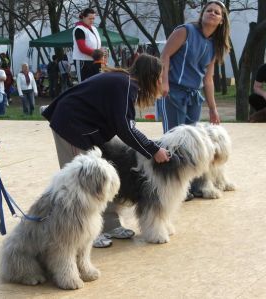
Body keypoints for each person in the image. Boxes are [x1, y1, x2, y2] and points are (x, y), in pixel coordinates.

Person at [42, 54, 170, 248]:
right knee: (82, 184)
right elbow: (126, 128)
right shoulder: (126, 85)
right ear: (150, 75)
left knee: (109, 171)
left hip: (88, 127)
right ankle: (84, 235)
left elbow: (122, 124)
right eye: (159, 77)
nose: (160, 82)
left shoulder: (125, 83)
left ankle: (109, 223)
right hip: (72, 126)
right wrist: (153, 150)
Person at [159, 0, 231, 132]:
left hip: (194, 95)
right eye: (209, 10)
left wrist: (212, 108)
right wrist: (164, 82)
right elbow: (165, 56)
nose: (212, 13)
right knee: (174, 137)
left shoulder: (215, 45)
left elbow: (208, 79)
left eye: (217, 12)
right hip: (174, 90)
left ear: (221, 20)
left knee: (191, 140)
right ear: (202, 14)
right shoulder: (185, 31)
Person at [72, 7, 102, 82]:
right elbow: (82, 47)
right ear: (83, 17)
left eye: (93, 18)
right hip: (83, 61)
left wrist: (101, 52)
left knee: (95, 84)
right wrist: (96, 53)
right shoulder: (79, 29)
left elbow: (97, 44)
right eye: (90, 18)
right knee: (83, 85)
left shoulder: (94, 28)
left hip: (95, 61)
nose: (92, 21)